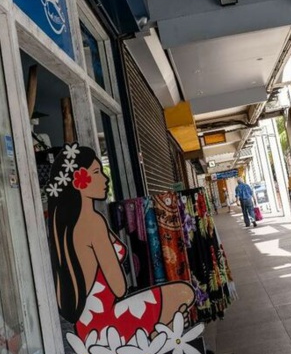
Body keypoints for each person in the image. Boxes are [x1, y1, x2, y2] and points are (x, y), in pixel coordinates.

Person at [46, 143, 194, 343]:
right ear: (78, 181)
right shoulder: (92, 223)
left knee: (169, 313)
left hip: (89, 326)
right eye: (97, 172)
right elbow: (118, 288)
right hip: (108, 324)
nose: (105, 178)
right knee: (182, 293)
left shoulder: (67, 226)